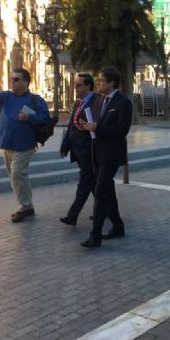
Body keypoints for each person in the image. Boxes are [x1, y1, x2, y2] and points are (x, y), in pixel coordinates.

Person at [0, 68, 50, 222]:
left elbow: (45, 118)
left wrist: (29, 117)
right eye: (12, 79)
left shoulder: (35, 99)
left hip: (25, 144)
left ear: (26, 82)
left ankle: (24, 207)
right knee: (17, 176)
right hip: (7, 143)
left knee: (17, 174)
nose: (13, 82)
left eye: (17, 79)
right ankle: (28, 206)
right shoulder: (6, 97)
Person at [77, 68, 132, 248]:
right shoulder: (99, 100)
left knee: (100, 192)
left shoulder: (123, 102)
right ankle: (117, 225)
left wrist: (96, 128)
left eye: (101, 81)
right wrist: (86, 126)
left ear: (111, 83)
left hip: (112, 154)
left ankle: (96, 235)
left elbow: (121, 130)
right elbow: (96, 123)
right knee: (108, 191)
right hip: (97, 152)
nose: (98, 83)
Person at [59, 73, 98, 226]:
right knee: (94, 183)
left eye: (79, 85)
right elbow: (71, 128)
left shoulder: (96, 102)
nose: (75, 88)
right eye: (75, 85)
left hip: (90, 151)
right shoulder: (78, 104)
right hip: (78, 150)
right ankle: (106, 209)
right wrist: (65, 147)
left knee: (85, 182)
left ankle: (72, 215)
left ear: (88, 86)